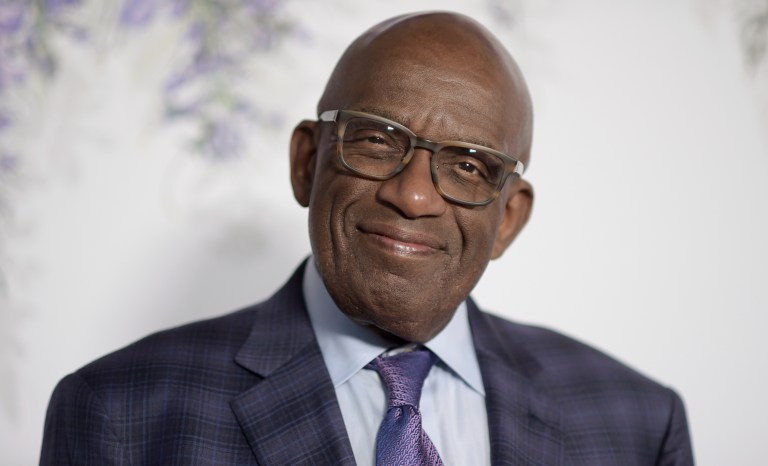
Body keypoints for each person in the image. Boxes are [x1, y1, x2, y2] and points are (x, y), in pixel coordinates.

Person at [40, 11, 694, 465]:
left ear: (508, 219)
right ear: (307, 161)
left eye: (468, 166)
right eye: (378, 140)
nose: (413, 195)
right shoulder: (121, 414)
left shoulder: (638, 424)